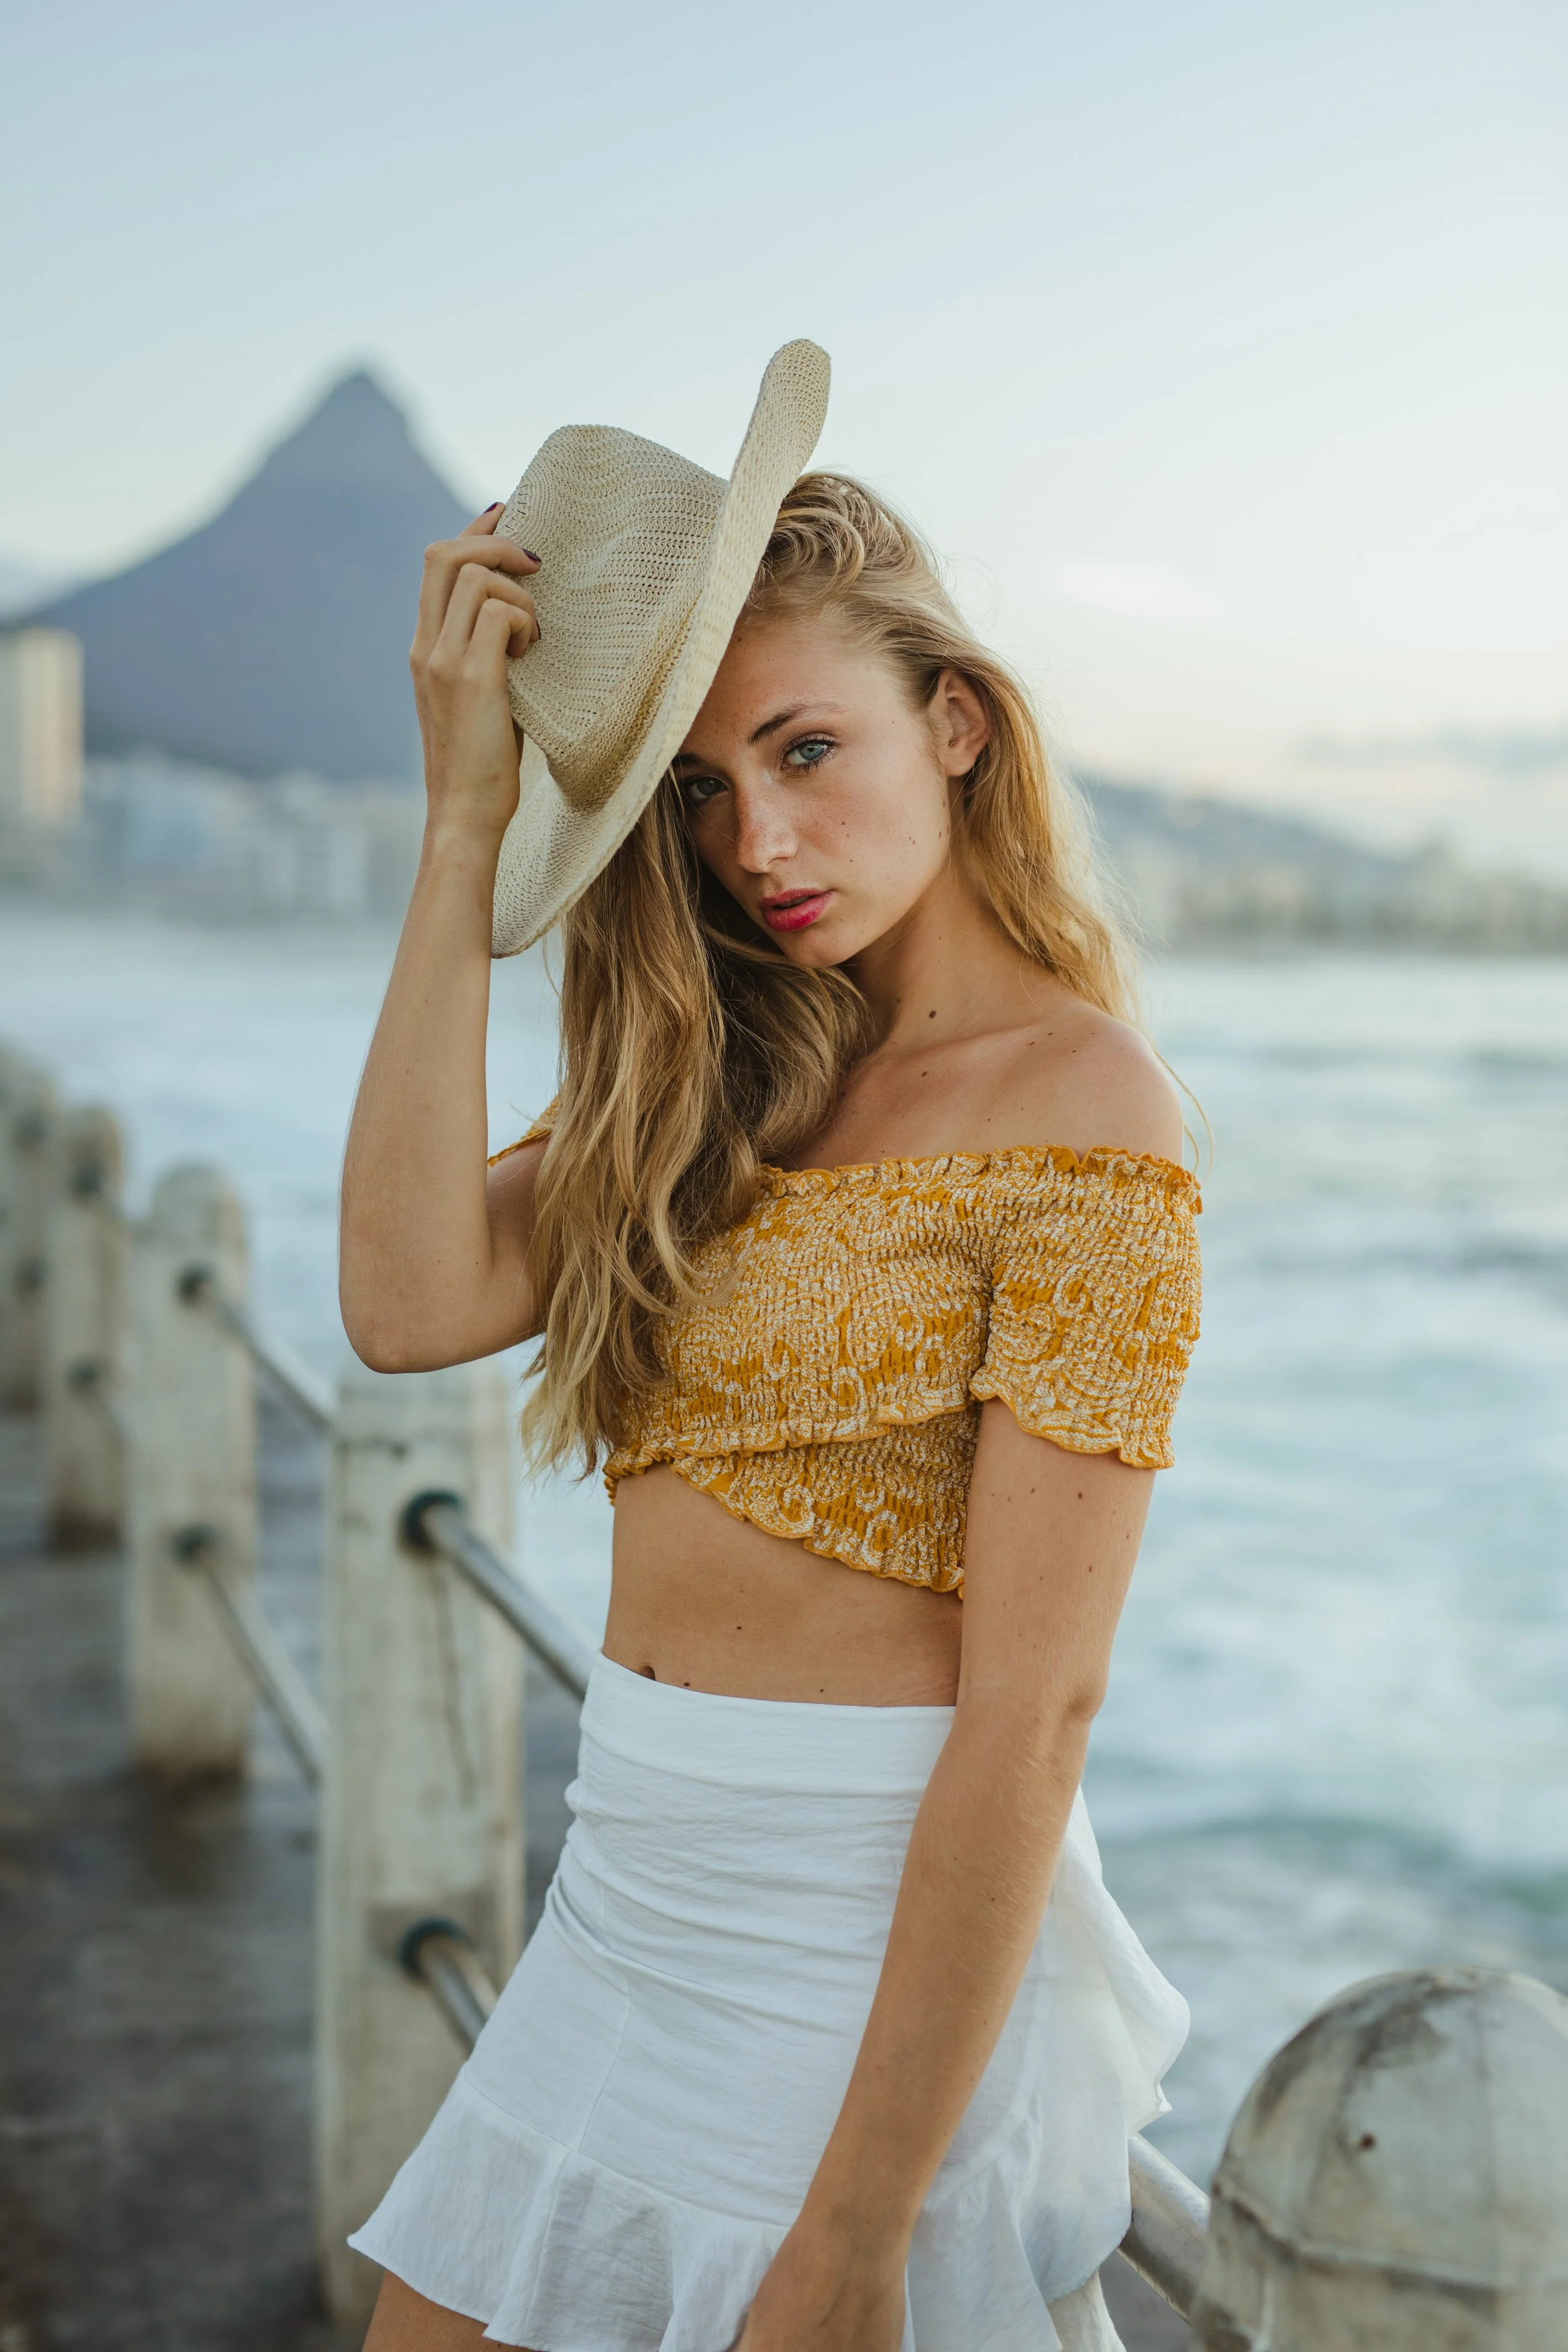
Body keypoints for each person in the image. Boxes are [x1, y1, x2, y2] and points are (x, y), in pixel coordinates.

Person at [339, 342, 1201, 2352]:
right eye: (703, 790)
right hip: (617, 1899)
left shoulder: (1088, 1107)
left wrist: (854, 2232)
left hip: (847, 1964)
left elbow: (1031, 1713)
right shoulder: (718, 1069)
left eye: (808, 750)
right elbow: (397, 1304)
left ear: (958, 719)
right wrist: (467, 826)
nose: (757, 843)